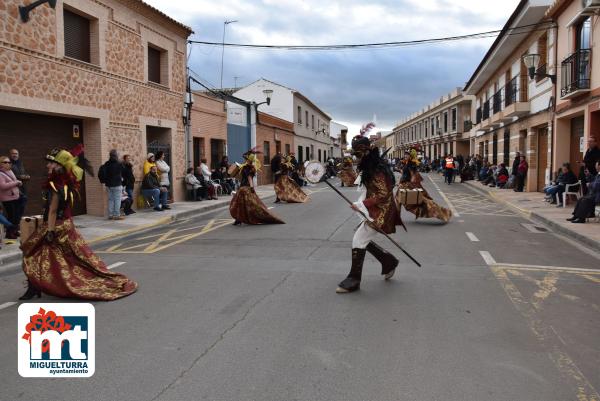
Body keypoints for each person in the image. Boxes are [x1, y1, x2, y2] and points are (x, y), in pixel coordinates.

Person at [19, 146, 137, 301]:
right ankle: (35, 287)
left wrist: (49, 231)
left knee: (31, 253)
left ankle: (37, 288)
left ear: (60, 166)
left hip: (56, 226)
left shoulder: (56, 186)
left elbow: (53, 211)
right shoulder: (66, 182)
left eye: (51, 163)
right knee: (71, 257)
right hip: (66, 225)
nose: (48, 165)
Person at [336, 125, 404, 294]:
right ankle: (388, 261)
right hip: (372, 209)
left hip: (381, 211)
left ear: (366, 152)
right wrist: (345, 172)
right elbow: (356, 182)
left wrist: (362, 205)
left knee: (358, 240)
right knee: (362, 238)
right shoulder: (368, 167)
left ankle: (354, 279)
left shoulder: (377, 169)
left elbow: (384, 193)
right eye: (355, 155)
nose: (356, 158)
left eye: (358, 155)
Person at [230, 149, 284, 226]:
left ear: (247, 159)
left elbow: (249, 177)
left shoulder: (246, 167)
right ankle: (239, 219)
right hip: (246, 188)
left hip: (245, 188)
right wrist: (251, 152)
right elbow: (248, 176)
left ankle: (240, 219)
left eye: (246, 158)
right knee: (249, 204)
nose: (245, 159)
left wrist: (251, 187)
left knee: (241, 204)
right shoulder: (251, 167)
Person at [398, 149, 452, 223]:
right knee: (400, 200)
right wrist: (400, 172)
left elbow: (413, 176)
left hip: (407, 186)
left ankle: (443, 214)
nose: (405, 156)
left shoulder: (411, 164)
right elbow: (405, 174)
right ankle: (397, 217)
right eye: (405, 155)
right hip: (403, 185)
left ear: (410, 156)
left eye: (407, 155)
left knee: (424, 202)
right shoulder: (406, 163)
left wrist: (411, 185)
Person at [0, 155, 22, 238]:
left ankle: (14, 230)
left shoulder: (10, 171)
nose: (8, 163)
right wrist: (16, 182)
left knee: (16, 216)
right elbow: (3, 186)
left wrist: (18, 182)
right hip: (7, 198)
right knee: (11, 216)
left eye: (9, 162)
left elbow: (14, 181)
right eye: (5, 162)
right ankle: (9, 233)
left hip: (15, 196)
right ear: (0, 164)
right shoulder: (0, 174)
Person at [98, 149, 124, 220]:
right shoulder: (119, 164)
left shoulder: (106, 163)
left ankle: (110, 214)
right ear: (116, 156)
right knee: (117, 200)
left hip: (108, 185)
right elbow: (123, 172)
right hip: (117, 184)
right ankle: (116, 215)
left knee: (110, 200)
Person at [10, 149, 29, 228]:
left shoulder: (20, 163)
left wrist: (26, 175)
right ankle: (13, 226)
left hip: (22, 188)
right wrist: (20, 177)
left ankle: (17, 224)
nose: (15, 155)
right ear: (10, 155)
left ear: (18, 155)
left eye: (16, 153)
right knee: (15, 208)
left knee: (22, 206)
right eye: (13, 153)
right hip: (13, 189)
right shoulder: (9, 164)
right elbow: (9, 175)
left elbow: (22, 172)